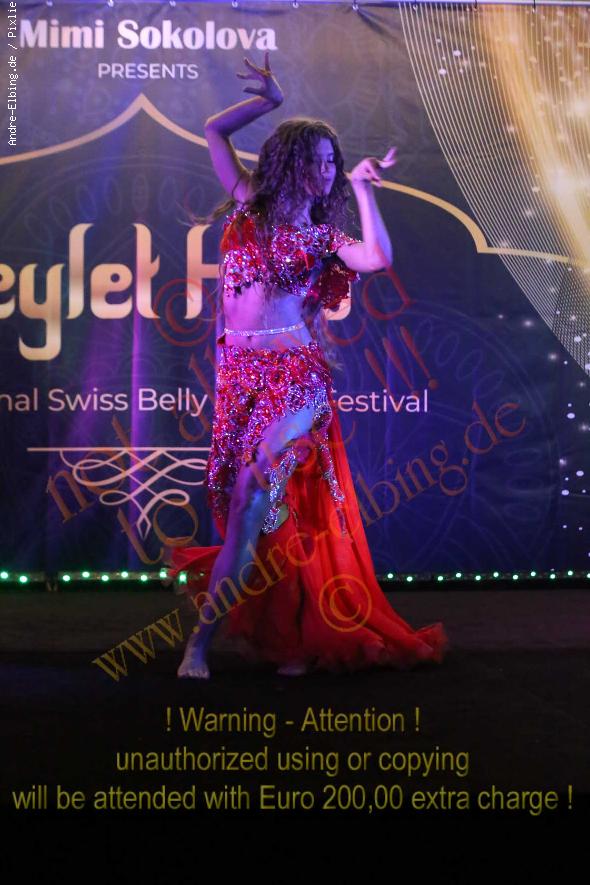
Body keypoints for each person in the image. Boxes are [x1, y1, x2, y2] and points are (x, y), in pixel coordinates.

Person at [167, 51, 448, 678]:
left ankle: (203, 647)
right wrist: (267, 101)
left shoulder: (323, 238)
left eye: (332, 163)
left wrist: (363, 189)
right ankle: (232, 640)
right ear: (288, 162)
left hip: (296, 376)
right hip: (239, 377)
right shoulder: (246, 202)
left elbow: (375, 257)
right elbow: (213, 131)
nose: (326, 172)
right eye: (317, 161)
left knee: (255, 486)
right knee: (249, 515)